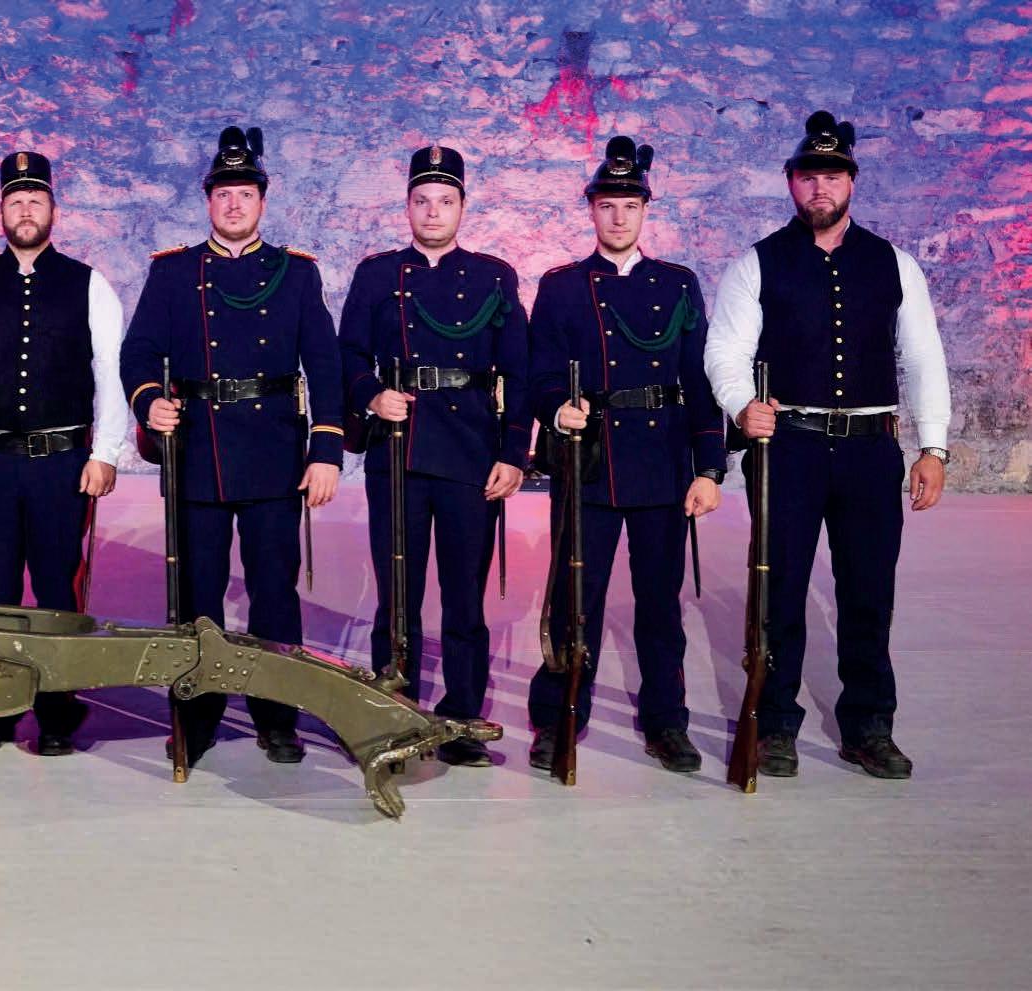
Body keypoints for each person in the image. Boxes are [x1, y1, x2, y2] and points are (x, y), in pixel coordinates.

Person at [704, 111, 951, 780]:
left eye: (833, 176)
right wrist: (741, 403)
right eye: (809, 176)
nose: (821, 188)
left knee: (869, 592)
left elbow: (923, 357)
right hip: (790, 448)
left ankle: (868, 726)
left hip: (871, 450)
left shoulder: (893, 263)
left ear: (851, 182)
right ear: (790, 182)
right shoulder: (756, 263)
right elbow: (725, 350)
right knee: (778, 589)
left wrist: (933, 447)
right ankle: (774, 724)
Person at [118, 125, 344, 766]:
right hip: (199, 453)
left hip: (274, 454)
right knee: (198, 596)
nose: (234, 204)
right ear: (208, 201)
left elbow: (324, 366)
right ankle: (197, 714)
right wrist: (148, 400)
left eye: (245, 193)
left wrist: (326, 450)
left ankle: (278, 718)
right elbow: (138, 353)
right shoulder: (173, 272)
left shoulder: (296, 273)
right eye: (224, 194)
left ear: (262, 201)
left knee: (274, 594)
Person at [526, 135, 726, 774]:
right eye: (607, 205)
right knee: (573, 602)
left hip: (663, 466)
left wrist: (710, 467)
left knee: (661, 607)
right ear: (592, 210)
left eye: (630, 206)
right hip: (588, 465)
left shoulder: (678, 283)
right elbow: (539, 372)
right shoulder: (561, 286)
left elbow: (698, 381)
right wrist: (556, 407)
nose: (618, 217)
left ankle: (666, 721)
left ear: (646, 211)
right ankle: (559, 716)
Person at [0, 151, 127, 756]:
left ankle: (58, 712)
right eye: (16, 201)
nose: (25, 210)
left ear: (53, 210)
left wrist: (106, 452)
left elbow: (110, 372)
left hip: (61, 463)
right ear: (2, 211)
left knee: (57, 587)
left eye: (35, 200)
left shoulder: (88, 283)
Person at [336, 145, 528, 767]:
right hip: (399, 452)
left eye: (445, 201)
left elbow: (520, 371)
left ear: (463, 207)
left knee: (465, 598)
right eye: (422, 201)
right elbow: (346, 354)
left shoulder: (494, 276)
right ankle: (393, 714)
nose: (433, 211)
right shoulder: (377, 273)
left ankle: (462, 717)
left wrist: (513, 453)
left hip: (471, 451)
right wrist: (371, 395)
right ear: (408, 207)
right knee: (398, 594)